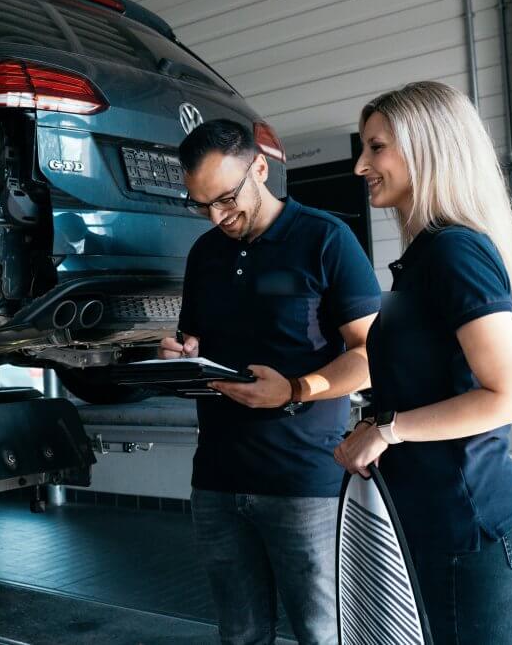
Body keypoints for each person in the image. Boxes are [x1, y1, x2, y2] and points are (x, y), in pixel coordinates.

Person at [333, 81, 512, 644]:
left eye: (376, 148)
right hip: (435, 526)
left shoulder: (455, 252)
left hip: (472, 533)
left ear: (427, 149)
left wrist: (388, 430)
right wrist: (377, 424)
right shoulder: (425, 256)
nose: (360, 165)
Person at [159, 119, 381, 645]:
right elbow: (194, 341)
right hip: (216, 480)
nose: (218, 216)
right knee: (240, 634)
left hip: (303, 483)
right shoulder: (205, 254)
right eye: (202, 205)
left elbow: (372, 355)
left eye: (226, 198)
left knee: (323, 634)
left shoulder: (326, 239)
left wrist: (296, 389)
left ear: (260, 167)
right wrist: (179, 356)